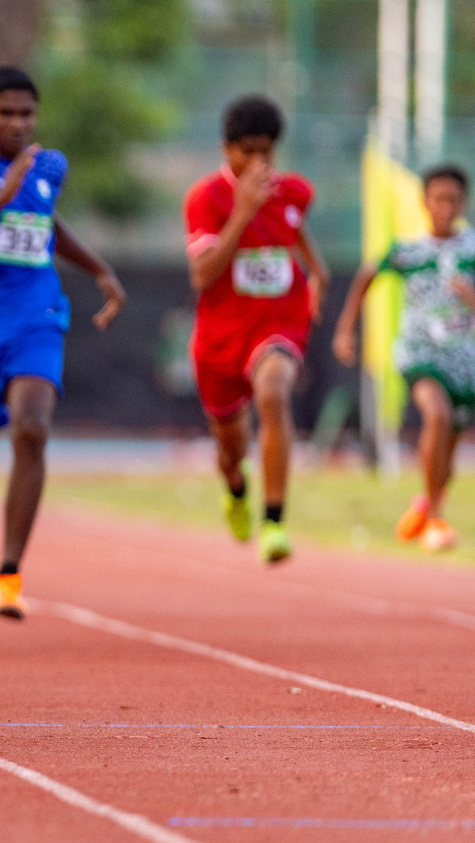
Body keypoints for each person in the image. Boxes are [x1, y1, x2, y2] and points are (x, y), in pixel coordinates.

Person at [0, 66, 125, 619]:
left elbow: (44, 219)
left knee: (31, 429)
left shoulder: (48, 166)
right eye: (6, 113)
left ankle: (7, 574)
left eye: (27, 114)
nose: (18, 123)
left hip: (36, 315)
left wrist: (98, 269)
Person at [184, 94, 327, 564]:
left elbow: (295, 232)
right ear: (228, 149)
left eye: (267, 151)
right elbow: (203, 275)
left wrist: (318, 273)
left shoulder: (294, 192)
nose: (259, 162)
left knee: (273, 393)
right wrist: (243, 211)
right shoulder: (206, 198)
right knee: (230, 448)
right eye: (249, 151)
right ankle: (237, 488)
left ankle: (274, 521)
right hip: (221, 336)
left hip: (278, 321)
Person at [334, 164, 473, 552]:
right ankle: (435, 520)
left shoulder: (472, 250)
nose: (445, 207)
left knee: (449, 445)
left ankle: (427, 505)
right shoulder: (409, 250)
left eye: (453, 200)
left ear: (464, 203)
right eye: (438, 199)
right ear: (424, 202)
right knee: (437, 415)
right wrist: (346, 328)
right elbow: (366, 276)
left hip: (463, 359)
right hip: (419, 352)